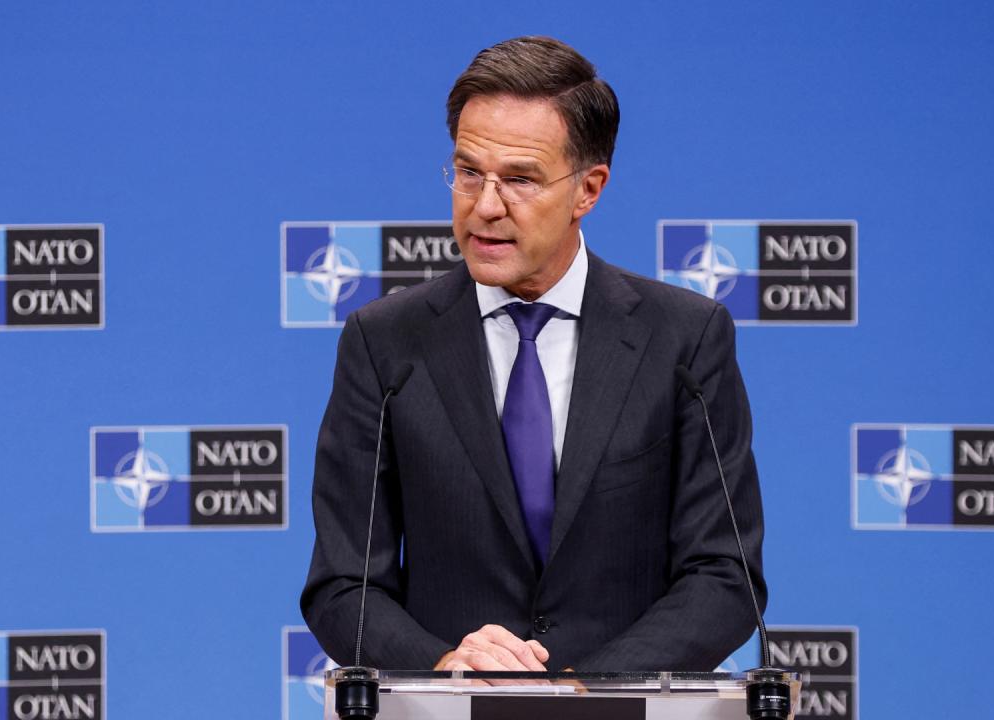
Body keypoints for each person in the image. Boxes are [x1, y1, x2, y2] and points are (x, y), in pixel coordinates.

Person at [300, 35, 767, 672]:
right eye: (469, 172)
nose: (485, 206)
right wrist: (444, 665)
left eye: (519, 179)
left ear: (588, 189)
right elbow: (343, 584)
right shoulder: (383, 342)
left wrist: (586, 692)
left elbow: (724, 574)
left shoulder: (684, 339)